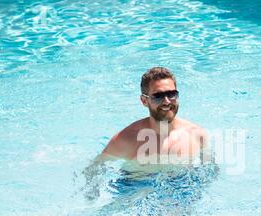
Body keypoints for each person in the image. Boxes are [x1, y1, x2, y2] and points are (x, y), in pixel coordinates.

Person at [82, 67, 210, 200]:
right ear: (144, 101)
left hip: (180, 186)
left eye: (172, 94)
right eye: (158, 96)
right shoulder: (127, 139)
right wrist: (92, 196)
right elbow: (95, 167)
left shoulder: (196, 135)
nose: (167, 101)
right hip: (136, 187)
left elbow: (209, 169)